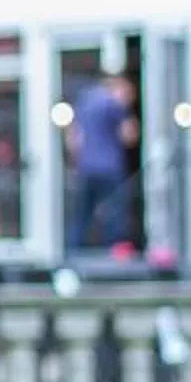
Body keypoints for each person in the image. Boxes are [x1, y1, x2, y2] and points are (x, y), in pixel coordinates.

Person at [68, 71, 139, 251]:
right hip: (110, 167)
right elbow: (129, 136)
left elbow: (74, 138)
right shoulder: (114, 104)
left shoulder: (84, 101)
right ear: (118, 86)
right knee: (115, 213)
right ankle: (114, 253)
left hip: (86, 167)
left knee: (82, 213)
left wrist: (78, 162)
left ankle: (73, 252)